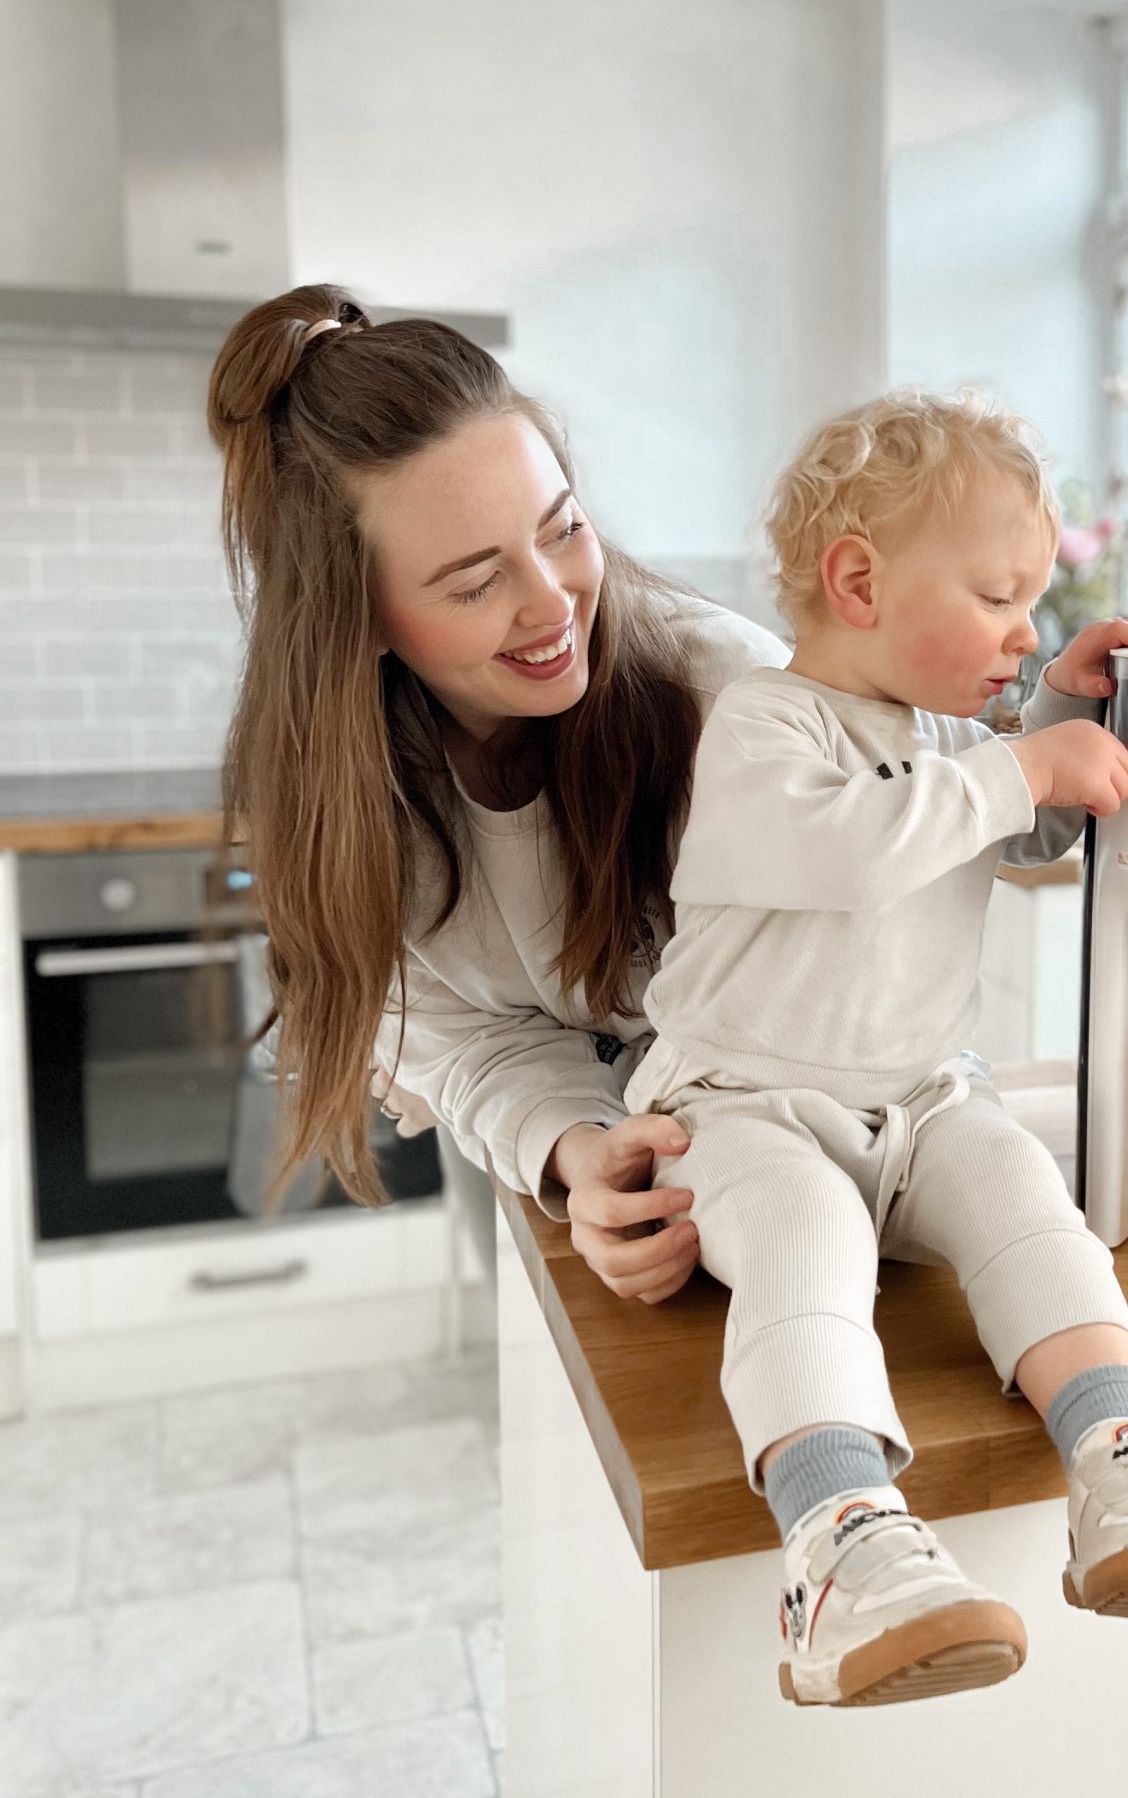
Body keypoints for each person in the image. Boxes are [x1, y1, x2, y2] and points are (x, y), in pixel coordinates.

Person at [628, 390, 1128, 1710]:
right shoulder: (763, 727)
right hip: (744, 1109)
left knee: (1031, 1202)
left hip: (916, 1101)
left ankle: (1123, 1461)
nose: (1023, 629)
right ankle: (838, 1547)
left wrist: (1053, 716)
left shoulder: (955, 740)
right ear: (857, 582)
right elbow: (853, 847)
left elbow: (1012, 830)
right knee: (807, 1252)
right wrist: (1021, 769)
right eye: (996, 596)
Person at [207, 282, 784, 1296]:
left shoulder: (723, 694)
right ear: (363, 620)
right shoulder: (358, 795)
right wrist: (578, 1149)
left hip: (795, 1170)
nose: (551, 601)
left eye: (562, 529)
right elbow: (457, 1039)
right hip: (579, 1190)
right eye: (475, 584)